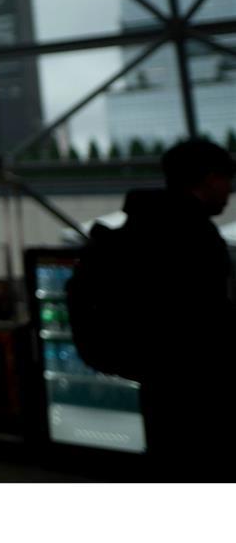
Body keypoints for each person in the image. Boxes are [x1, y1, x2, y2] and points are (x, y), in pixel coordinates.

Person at [113, 138, 236, 479]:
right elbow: (206, 319)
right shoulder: (196, 234)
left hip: (155, 379)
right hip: (197, 386)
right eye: (228, 180)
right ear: (211, 179)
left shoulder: (141, 223)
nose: (229, 190)